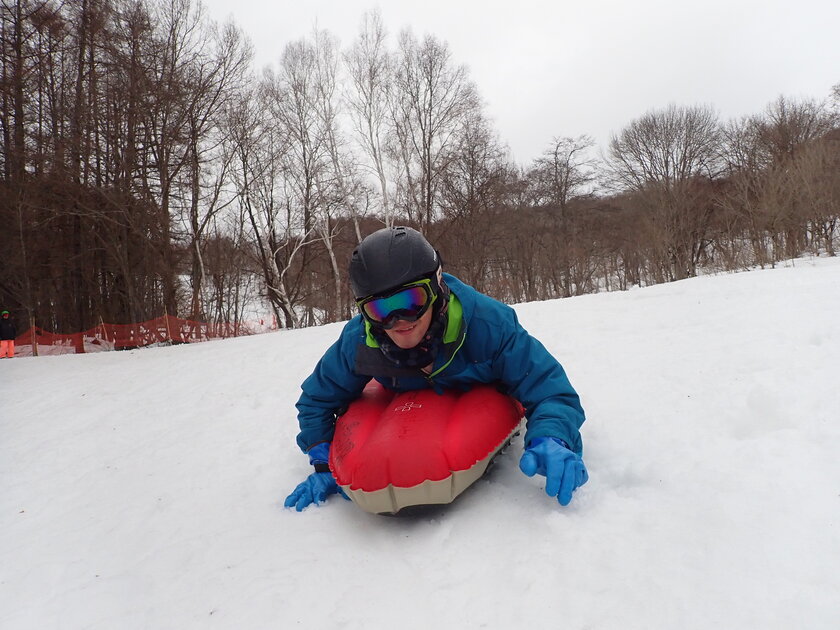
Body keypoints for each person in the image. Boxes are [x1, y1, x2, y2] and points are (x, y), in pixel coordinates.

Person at [284, 227, 588, 511]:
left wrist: (553, 436)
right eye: (380, 310)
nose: (399, 320)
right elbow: (316, 399)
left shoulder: (487, 326)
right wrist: (323, 461)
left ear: (436, 287)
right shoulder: (360, 341)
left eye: (411, 300)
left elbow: (548, 387)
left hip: (477, 389)